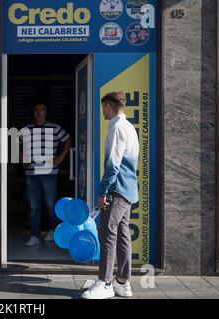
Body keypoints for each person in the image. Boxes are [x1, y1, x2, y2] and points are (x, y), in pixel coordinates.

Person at [82, 92, 139, 299]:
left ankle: (105, 283)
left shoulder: (116, 128)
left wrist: (102, 191)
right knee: (122, 234)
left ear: (108, 106)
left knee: (107, 234)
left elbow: (113, 165)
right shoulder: (130, 127)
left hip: (116, 190)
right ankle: (122, 282)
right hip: (129, 189)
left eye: (103, 107)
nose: (102, 111)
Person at [19, 103, 72, 247]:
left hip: (49, 173)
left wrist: (60, 158)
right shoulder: (26, 130)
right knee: (34, 206)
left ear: (46, 112)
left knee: (50, 205)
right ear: (33, 112)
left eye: (42, 109)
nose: (39, 112)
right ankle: (35, 235)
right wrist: (22, 157)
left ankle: (54, 231)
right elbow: (17, 143)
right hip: (31, 173)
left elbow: (68, 140)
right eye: (36, 110)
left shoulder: (55, 128)